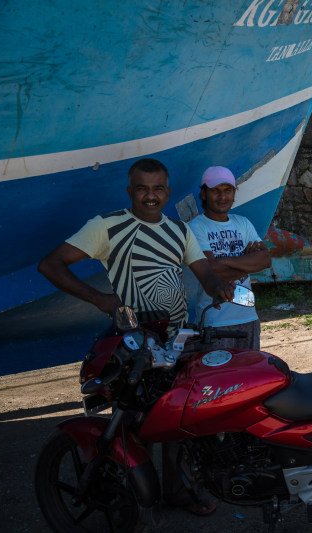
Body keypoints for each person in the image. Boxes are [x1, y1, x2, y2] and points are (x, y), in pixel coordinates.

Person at [38, 157, 233, 516]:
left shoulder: (179, 230)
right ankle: (132, 503)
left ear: (168, 192)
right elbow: (51, 264)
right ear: (130, 191)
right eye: (142, 188)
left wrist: (218, 286)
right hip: (135, 345)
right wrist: (101, 300)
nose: (150, 196)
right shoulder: (107, 226)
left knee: (178, 419)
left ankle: (178, 492)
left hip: (177, 341)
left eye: (158, 188)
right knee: (132, 424)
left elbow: (203, 271)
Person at [188, 166, 271, 350]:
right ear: (203, 193)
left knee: (248, 376)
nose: (222, 197)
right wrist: (248, 262)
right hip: (213, 321)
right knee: (218, 377)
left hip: (249, 318)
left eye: (227, 191)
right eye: (215, 191)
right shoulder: (195, 227)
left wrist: (223, 261)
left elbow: (265, 260)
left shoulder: (243, 223)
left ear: (234, 193)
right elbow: (210, 271)